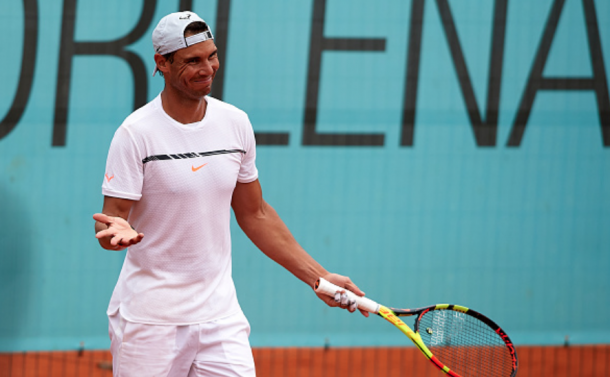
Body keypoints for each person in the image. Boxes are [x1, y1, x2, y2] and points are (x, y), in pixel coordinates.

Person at [93, 10, 367, 377]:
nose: (208, 68)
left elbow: (255, 214)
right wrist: (116, 234)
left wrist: (318, 276)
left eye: (212, 55)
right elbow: (111, 222)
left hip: (220, 317)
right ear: (162, 63)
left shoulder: (235, 123)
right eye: (193, 60)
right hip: (150, 322)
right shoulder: (135, 133)